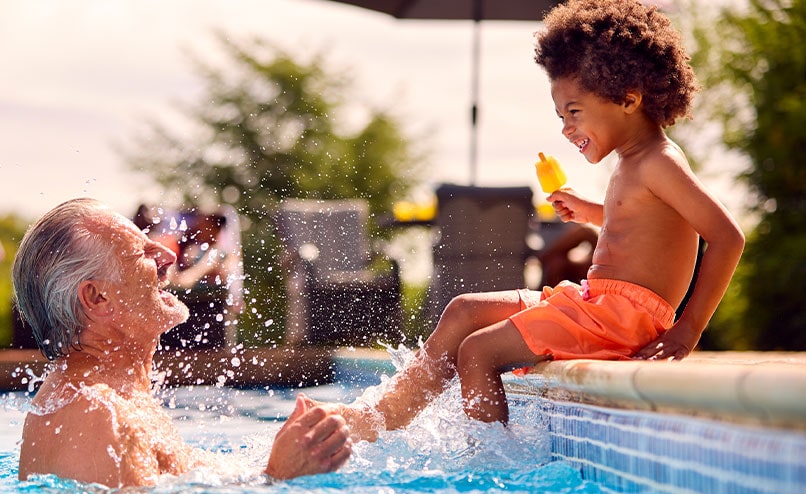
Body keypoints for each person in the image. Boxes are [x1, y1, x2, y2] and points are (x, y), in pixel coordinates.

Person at [309, 0, 745, 442]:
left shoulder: (660, 162)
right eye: (561, 116)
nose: (565, 129)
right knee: (463, 311)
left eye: (574, 112)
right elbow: (640, 224)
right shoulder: (634, 162)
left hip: (621, 316)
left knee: (478, 351)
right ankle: (380, 416)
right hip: (597, 304)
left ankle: (489, 463)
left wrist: (688, 330)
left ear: (628, 98)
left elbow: (727, 237)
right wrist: (589, 211)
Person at [12, 198, 351, 487]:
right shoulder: (100, 418)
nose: (168, 257)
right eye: (141, 252)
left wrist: (396, 402)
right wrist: (278, 477)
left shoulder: (107, 399)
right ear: (98, 297)